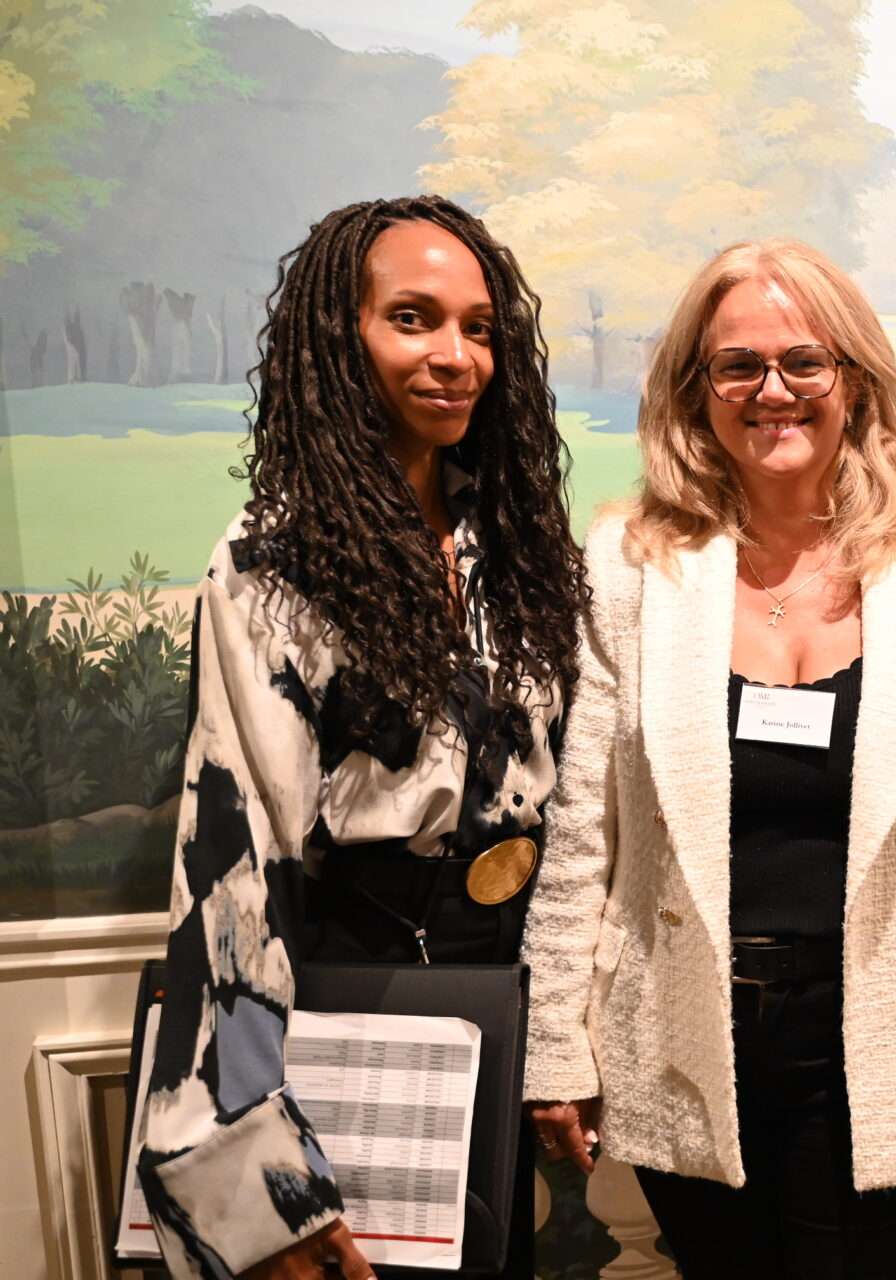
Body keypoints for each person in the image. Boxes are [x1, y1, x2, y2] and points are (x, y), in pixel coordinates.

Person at [522, 238, 896, 1279]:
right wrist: (555, 1043)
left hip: (886, 1027)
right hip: (690, 1028)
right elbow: (583, 828)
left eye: (805, 362)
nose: (774, 391)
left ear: (854, 380)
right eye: (738, 366)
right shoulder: (630, 563)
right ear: (696, 390)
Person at [134, 195, 589, 1280]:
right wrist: (261, 1185)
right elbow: (235, 867)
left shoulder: (514, 549)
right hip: (355, 984)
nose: (456, 356)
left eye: (479, 328)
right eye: (414, 319)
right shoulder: (274, 562)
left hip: (505, 984)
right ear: (341, 339)